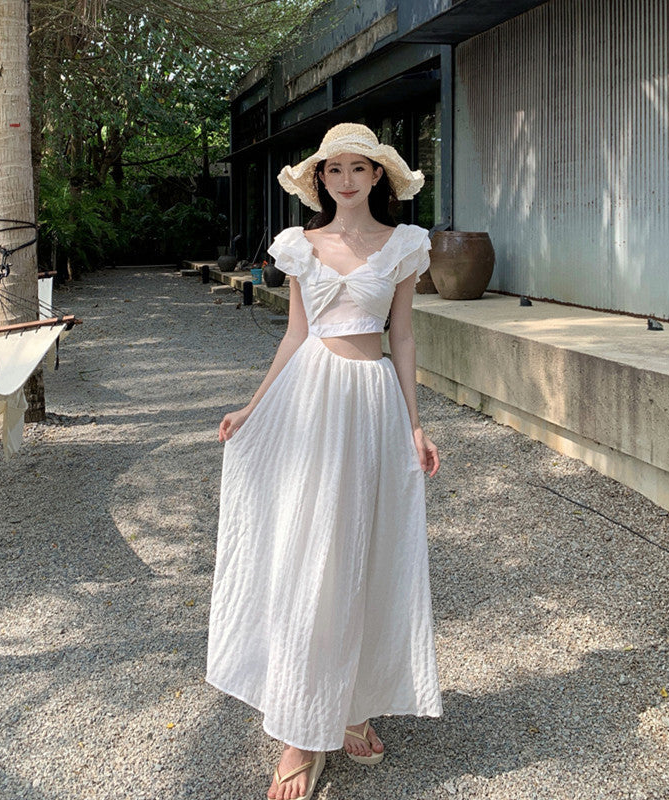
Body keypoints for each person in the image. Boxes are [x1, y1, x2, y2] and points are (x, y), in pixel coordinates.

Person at [206, 123, 442, 800]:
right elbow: (295, 336)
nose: (344, 179)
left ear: (377, 178)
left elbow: (401, 336)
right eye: (332, 169)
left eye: (357, 169)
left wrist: (415, 425)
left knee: (363, 552)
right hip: (309, 402)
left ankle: (351, 706)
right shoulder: (299, 246)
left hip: (369, 406)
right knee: (309, 551)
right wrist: (254, 407)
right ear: (320, 180)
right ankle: (297, 731)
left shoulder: (404, 247)